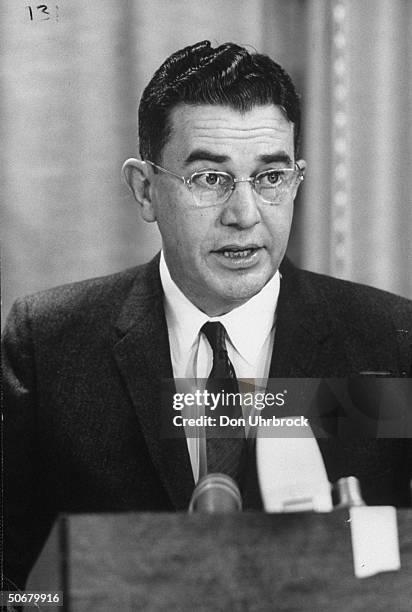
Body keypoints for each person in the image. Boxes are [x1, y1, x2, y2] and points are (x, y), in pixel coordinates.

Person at [3, 40, 412, 589]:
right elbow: (16, 577)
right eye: (209, 179)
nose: (244, 215)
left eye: (270, 177)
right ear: (145, 190)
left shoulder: (389, 341)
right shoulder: (49, 344)